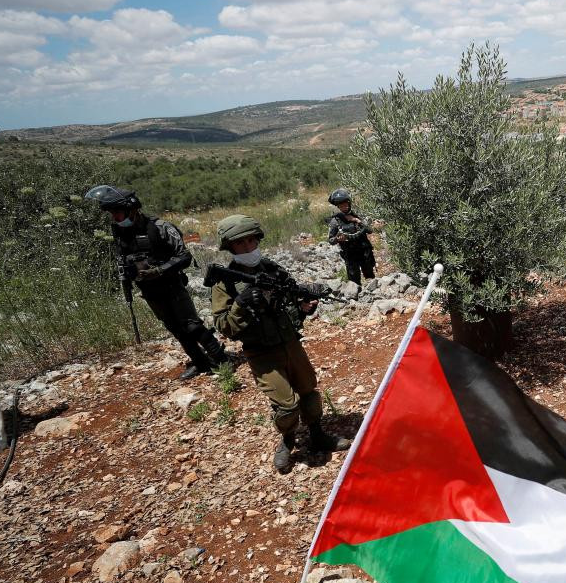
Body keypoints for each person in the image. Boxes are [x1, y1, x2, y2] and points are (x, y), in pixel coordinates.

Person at [210, 215, 349, 473]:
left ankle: (317, 434)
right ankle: (287, 441)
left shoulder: (272, 269)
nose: (249, 248)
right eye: (241, 244)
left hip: (290, 343)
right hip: (261, 353)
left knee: (308, 391)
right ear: (230, 247)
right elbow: (224, 327)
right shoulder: (225, 283)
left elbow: (290, 301)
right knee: (286, 405)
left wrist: (304, 307)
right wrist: (241, 303)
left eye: (252, 241)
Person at [88, 185, 227, 380]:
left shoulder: (160, 227)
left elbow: (184, 257)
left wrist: (159, 270)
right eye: (112, 215)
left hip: (172, 286)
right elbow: (124, 259)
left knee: (192, 326)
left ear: (132, 209)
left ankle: (222, 360)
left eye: (118, 214)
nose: (115, 218)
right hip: (150, 291)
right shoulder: (120, 233)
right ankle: (201, 363)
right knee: (175, 329)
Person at [326, 188, 375, 285]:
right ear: (338, 206)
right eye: (341, 205)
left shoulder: (357, 215)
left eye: (345, 204)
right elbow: (331, 240)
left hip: (364, 251)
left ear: (349, 203)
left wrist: (356, 220)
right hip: (350, 254)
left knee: (370, 277)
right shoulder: (335, 221)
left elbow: (369, 230)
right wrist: (337, 239)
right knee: (354, 282)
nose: (344, 206)